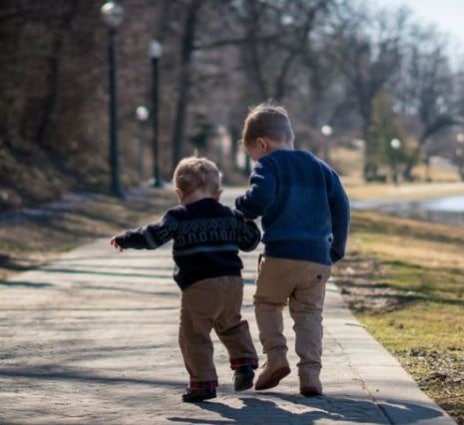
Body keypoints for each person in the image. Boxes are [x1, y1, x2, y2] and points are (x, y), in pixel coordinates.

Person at [110, 157, 261, 403]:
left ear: (178, 192)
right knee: (231, 324)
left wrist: (126, 239)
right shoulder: (229, 215)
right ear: (218, 193)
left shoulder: (178, 217)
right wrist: (248, 220)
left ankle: (203, 383)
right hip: (233, 282)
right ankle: (244, 364)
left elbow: (153, 237)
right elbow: (250, 241)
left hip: (199, 285)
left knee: (194, 334)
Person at [235, 103, 350, 397]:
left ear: (262, 144)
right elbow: (342, 206)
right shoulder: (321, 167)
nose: (255, 160)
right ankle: (310, 375)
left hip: (281, 253)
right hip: (317, 258)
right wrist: (335, 248)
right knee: (310, 313)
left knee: (267, 303)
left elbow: (259, 199)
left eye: (253, 156)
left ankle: (275, 358)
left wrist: (241, 206)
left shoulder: (268, 164)